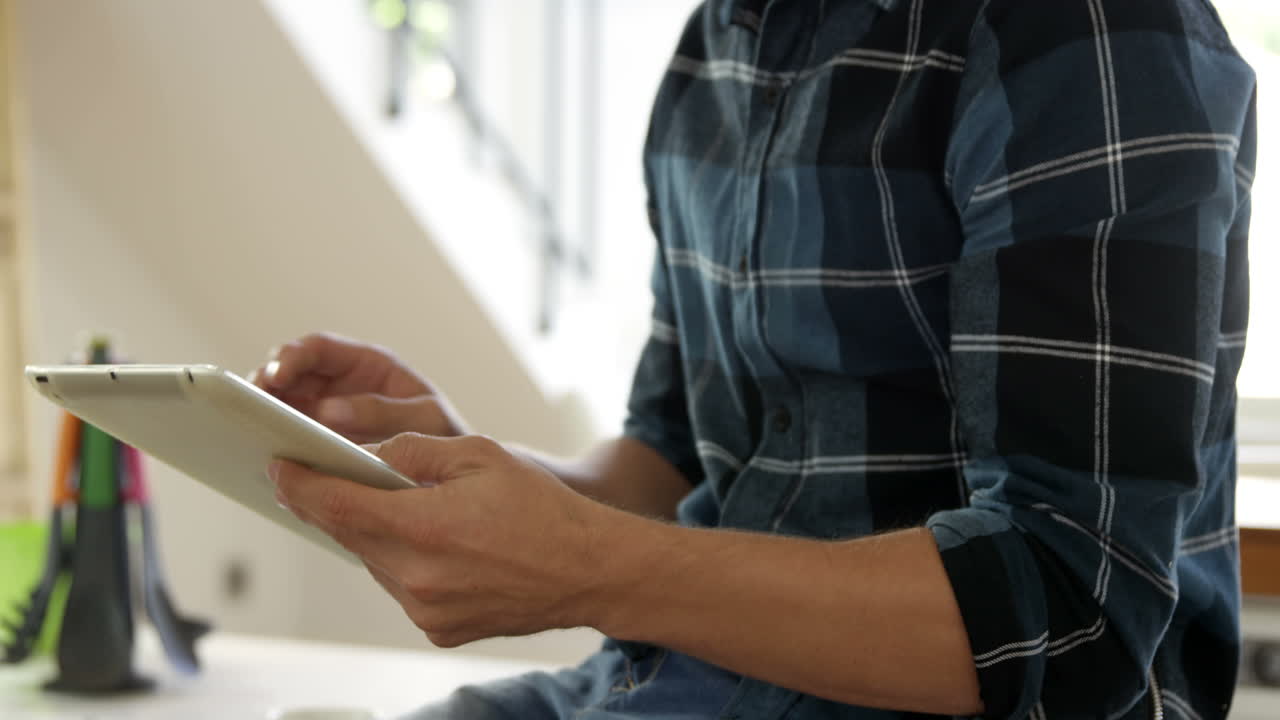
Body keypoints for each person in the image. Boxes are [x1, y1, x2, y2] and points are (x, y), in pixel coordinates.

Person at [252, 1, 1257, 717]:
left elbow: (1068, 615)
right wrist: (473, 472)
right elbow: (675, 461)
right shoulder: (711, 51)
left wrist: (579, 565)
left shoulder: (1088, 33)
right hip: (682, 686)